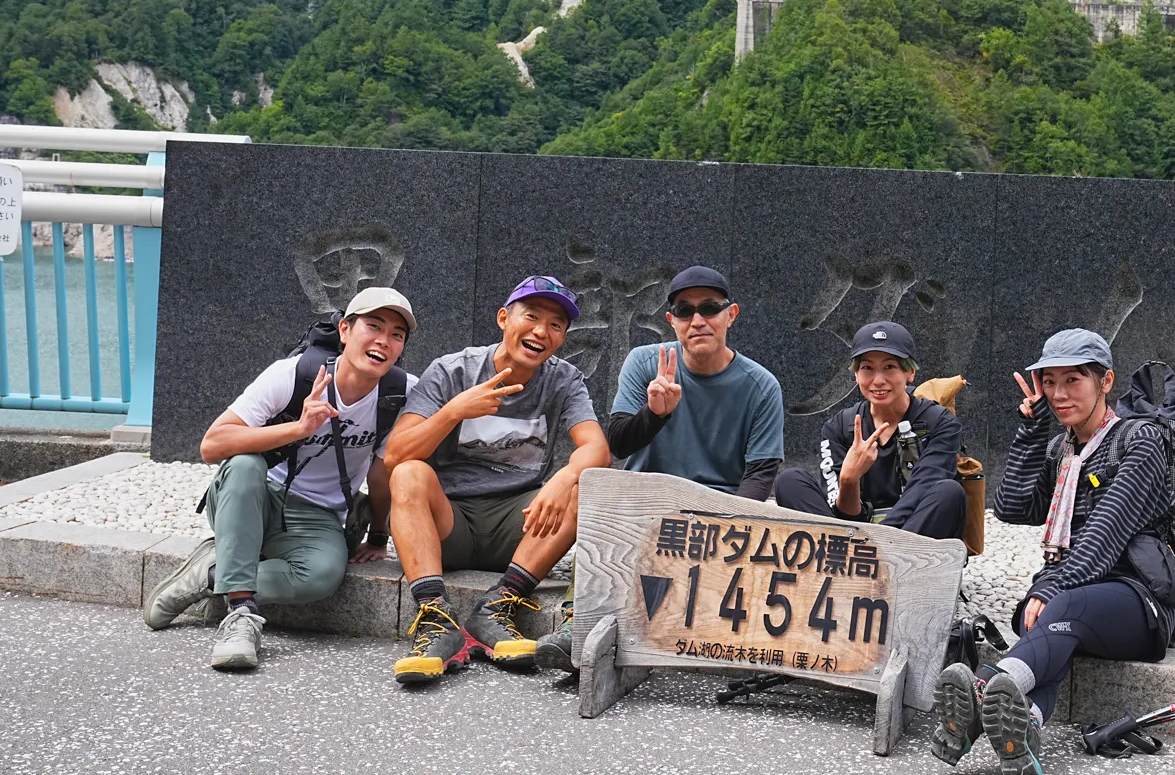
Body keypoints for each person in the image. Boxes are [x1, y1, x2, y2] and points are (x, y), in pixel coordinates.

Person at [931, 329, 1175, 775]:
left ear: (1105, 382)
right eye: (1050, 382)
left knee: (1060, 605)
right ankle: (1023, 733)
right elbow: (1011, 507)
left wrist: (1049, 584)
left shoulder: (1141, 442)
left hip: (1139, 601)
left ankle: (983, 688)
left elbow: (1107, 531)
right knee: (1056, 627)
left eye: (1073, 381)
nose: (1059, 394)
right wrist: (1030, 431)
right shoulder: (1061, 448)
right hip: (1074, 599)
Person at [143, 287, 418, 672]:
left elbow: (383, 468)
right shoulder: (293, 375)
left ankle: (208, 572)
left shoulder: (401, 394)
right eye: (373, 326)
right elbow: (212, 445)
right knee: (244, 464)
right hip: (253, 497)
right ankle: (240, 615)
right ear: (344, 330)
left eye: (396, 335)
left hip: (317, 515)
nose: (383, 341)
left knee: (321, 577)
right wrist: (299, 429)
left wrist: (377, 535)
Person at [532, 263, 785, 672]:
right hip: (645, 502)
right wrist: (655, 413)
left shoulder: (761, 385)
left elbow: (760, 473)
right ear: (671, 320)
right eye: (685, 311)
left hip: (716, 514)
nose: (697, 320)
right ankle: (576, 625)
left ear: (731, 314)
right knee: (600, 496)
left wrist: (729, 530)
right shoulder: (646, 361)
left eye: (710, 308)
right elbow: (616, 441)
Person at [384, 276, 610, 685]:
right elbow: (396, 454)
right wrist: (454, 411)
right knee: (409, 473)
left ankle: (496, 608)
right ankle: (436, 618)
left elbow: (596, 449)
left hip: (519, 523)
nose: (542, 331)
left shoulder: (563, 379)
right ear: (504, 318)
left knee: (585, 484)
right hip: (449, 524)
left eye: (556, 325)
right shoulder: (452, 371)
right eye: (532, 316)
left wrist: (563, 479)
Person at [773, 321, 965, 540]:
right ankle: (846, 561)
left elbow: (924, 487)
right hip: (848, 537)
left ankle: (881, 564)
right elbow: (840, 518)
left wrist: (877, 542)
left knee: (948, 492)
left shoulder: (939, 422)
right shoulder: (839, 427)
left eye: (889, 367)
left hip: (911, 539)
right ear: (856, 375)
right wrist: (849, 480)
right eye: (867, 368)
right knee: (789, 481)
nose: (878, 380)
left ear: (910, 372)